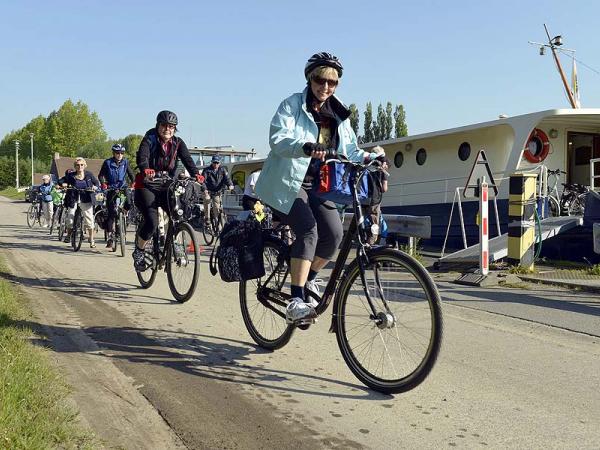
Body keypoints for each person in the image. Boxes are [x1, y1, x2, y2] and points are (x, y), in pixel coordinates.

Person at [255, 52, 384, 324]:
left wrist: (372, 158)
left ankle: (309, 278)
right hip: (287, 184)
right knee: (309, 231)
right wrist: (303, 147)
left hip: (320, 186)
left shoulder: (337, 113)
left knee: (334, 236)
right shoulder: (292, 105)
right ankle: (296, 299)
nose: (326, 87)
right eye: (320, 80)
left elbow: (349, 150)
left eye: (333, 82)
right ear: (310, 78)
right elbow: (278, 139)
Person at [133, 110, 203, 271]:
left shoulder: (178, 143)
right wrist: (146, 168)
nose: (168, 129)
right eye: (164, 125)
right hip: (146, 184)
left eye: (171, 126)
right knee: (152, 222)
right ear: (158, 126)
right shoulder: (149, 139)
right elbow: (142, 157)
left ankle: (176, 243)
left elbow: (187, 160)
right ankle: (139, 251)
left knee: (178, 214)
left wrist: (197, 174)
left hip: (166, 184)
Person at [98, 143, 135, 250]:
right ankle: (110, 237)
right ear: (113, 153)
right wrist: (103, 183)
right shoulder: (107, 162)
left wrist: (133, 182)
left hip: (122, 187)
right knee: (111, 213)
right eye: (117, 153)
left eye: (122, 153)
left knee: (129, 203)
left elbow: (131, 174)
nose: (120, 155)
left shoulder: (125, 162)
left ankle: (123, 215)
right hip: (111, 188)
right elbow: (101, 175)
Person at [59, 157, 100, 247]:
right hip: (73, 198)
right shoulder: (71, 175)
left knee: (89, 219)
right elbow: (61, 180)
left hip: (86, 198)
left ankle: (91, 239)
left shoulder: (89, 175)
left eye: (81, 165)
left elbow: (96, 183)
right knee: (70, 218)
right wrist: (63, 184)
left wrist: (95, 187)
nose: (79, 166)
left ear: (84, 166)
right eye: (77, 165)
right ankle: (69, 235)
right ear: (75, 166)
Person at [201, 155, 234, 225]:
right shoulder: (206, 170)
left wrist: (230, 185)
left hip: (217, 192)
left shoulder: (222, 170)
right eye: (214, 162)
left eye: (217, 163)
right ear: (212, 162)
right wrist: (205, 191)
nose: (216, 164)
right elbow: (203, 182)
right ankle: (207, 218)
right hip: (208, 191)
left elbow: (227, 179)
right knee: (207, 201)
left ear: (219, 163)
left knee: (217, 208)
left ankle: (217, 224)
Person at [366, 146, 389, 244]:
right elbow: (384, 188)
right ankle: (369, 247)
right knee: (374, 226)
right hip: (374, 200)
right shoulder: (382, 170)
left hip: (362, 198)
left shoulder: (366, 166)